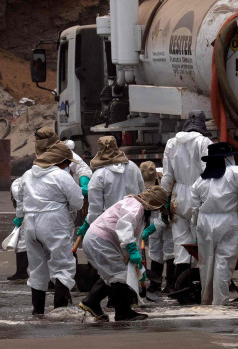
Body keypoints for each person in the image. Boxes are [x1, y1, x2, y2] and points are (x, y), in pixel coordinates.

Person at [79, 185, 170, 322]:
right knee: (120, 275)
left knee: (111, 276)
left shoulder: (135, 206)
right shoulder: (135, 206)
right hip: (100, 240)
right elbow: (125, 226)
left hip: (97, 239)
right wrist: (133, 250)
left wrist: (139, 268)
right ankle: (122, 312)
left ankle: (91, 302)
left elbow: (131, 237)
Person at [18, 141, 85, 315]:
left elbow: (19, 196)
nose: (69, 165)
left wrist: (20, 216)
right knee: (63, 266)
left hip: (30, 223)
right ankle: (60, 311)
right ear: (61, 161)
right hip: (53, 221)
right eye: (68, 162)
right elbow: (77, 202)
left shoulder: (27, 175)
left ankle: (38, 311)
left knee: (38, 269)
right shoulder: (61, 176)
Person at [189, 142, 238, 305]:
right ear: (228, 157)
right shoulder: (236, 171)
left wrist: (195, 229)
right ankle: (220, 302)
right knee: (223, 262)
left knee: (206, 263)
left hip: (204, 223)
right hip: (227, 220)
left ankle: (207, 300)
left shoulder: (201, 179)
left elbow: (194, 207)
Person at [161, 111, 212, 288]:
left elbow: (167, 176)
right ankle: (201, 285)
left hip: (178, 197)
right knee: (201, 243)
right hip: (198, 195)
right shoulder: (204, 142)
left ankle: (180, 287)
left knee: (181, 244)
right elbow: (208, 173)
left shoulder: (171, 143)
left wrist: (165, 201)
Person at [79, 136, 144, 236]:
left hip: (110, 225)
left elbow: (95, 209)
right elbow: (142, 194)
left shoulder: (99, 175)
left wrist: (89, 223)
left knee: (112, 250)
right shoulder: (133, 167)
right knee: (132, 249)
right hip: (133, 221)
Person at [139, 161, 174, 293]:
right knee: (154, 251)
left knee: (170, 251)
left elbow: (167, 213)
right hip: (153, 216)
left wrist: (153, 227)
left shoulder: (165, 181)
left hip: (168, 218)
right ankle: (155, 284)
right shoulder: (140, 179)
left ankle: (171, 284)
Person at [7, 175, 30, 281]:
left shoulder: (16, 186)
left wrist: (19, 217)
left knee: (21, 244)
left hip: (29, 216)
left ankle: (22, 272)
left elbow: (20, 203)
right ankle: (21, 272)